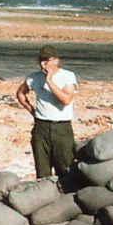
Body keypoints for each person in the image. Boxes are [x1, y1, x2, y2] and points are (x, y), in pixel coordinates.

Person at [16, 44, 78, 178]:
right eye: (40, 61)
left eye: (46, 61)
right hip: (41, 127)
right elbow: (21, 93)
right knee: (42, 171)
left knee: (65, 169)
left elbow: (66, 99)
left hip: (61, 127)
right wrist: (32, 111)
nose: (42, 65)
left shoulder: (68, 76)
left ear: (56, 61)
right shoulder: (33, 77)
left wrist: (49, 81)